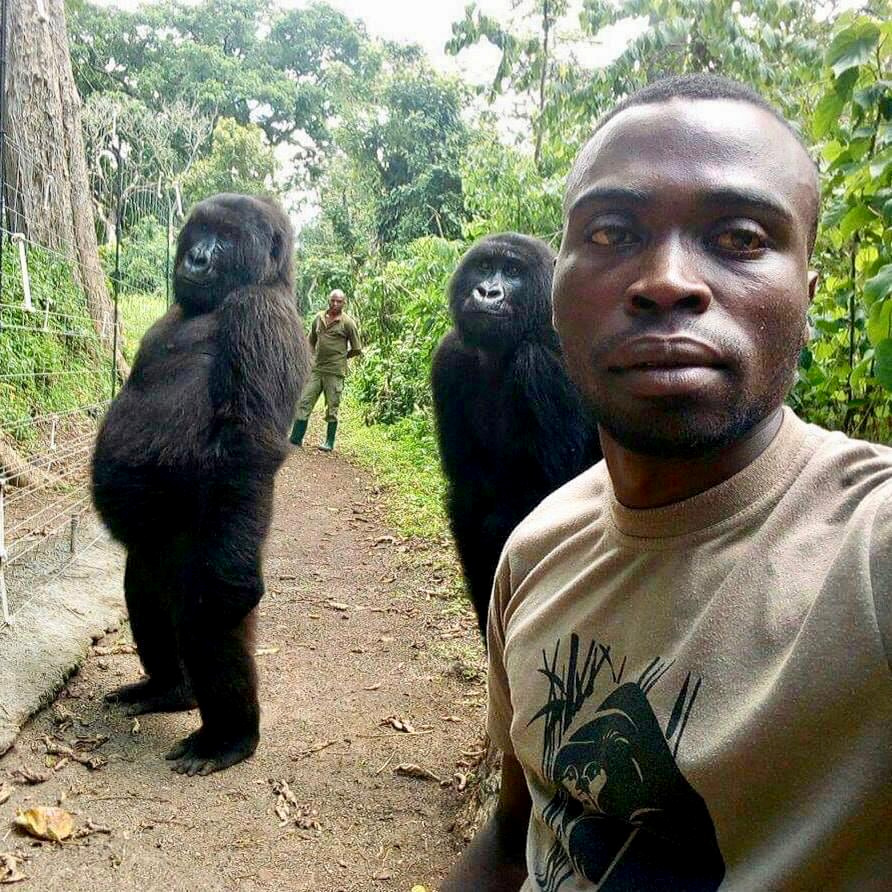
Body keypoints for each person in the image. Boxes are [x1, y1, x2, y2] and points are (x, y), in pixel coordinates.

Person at [442, 74, 891, 892]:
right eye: (612, 234)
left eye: (742, 236)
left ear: (808, 300)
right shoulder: (535, 553)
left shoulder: (870, 546)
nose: (666, 280)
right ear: (561, 297)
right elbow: (518, 841)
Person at [289, 288, 362, 452]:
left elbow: (357, 348)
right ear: (329, 300)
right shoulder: (319, 318)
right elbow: (310, 342)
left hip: (335, 372)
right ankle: (296, 438)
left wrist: (341, 357)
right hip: (316, 370)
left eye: (339, 301)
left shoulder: (348, 323)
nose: (335, 304)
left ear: (344, 303)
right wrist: (309, 360)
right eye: (333, 300)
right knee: (304, 402)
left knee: (332, 406)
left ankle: (329, 442)